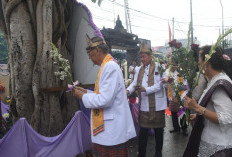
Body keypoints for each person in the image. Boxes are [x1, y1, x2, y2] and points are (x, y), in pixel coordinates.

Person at [73, 35, 136, 157]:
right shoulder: (107, 66)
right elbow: (103, 95)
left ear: (97, 50)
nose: (90, 59)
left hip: (111, 131)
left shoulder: (109, 67)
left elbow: (105, 100)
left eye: (90, 55)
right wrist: (86, 92)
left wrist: (83, 96)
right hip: (109, 130)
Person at [183, 46, 232, 157]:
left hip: (218, 146)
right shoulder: (214, 80)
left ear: (206, 63)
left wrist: (198, 108)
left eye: (199, 62)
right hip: (212, 142)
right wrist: (199, 115)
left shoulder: (220, 83)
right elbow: (214, 110)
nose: (198, 66)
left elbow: (227, 118)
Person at [126, 43, 167, 157]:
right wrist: (127, 91)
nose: (142, 59)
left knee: (158, 130)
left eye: (144, 56)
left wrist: (146, 89)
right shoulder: (139, 69)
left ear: (150, 56)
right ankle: (141, 153)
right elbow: (134, 83)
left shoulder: (160, 67)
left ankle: (158, 152)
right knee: (143, 130)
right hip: (144, 104)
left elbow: (162, 85)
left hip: (157, 105)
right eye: (141, 57)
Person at [166, 58, 188, 136]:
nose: (172, 66)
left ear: (176, 65)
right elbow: (165, 85)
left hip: (181, 96)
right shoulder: (167, 73)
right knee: (173, 113)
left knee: (182, 112)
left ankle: (184, 128)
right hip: (172, 96)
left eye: (173, 65)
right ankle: (176, 128)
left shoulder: (181, 73)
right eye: (170, 65)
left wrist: (178, 87)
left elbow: (186, 85)